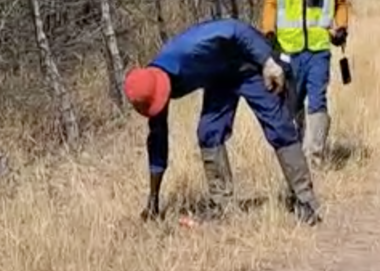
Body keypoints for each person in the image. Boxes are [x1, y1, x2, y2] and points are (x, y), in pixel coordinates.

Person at [122, 18, 322, 226]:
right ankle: (223, 206)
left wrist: (267, 61)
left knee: (278, 126)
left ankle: (305, 199)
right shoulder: (150, 89)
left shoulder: (187, 49)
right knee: (208, 133)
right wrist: (153, 200)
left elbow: (234, 29)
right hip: (219, 78)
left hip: (248, 65)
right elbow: (157, 146)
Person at [260, 0, 350, 169]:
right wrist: (268, 31)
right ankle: (295, 153)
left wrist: (341, 27)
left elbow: (340, 3)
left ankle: (315, 158)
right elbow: (270, 3)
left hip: (319, 47)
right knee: (292, 102)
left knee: (318, 98)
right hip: (287, 49)